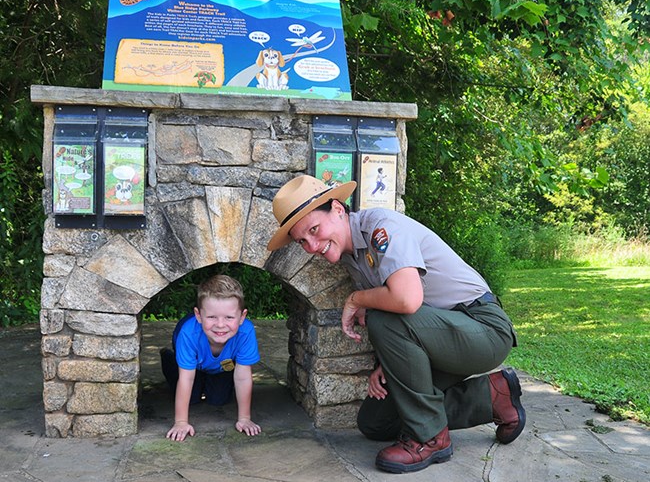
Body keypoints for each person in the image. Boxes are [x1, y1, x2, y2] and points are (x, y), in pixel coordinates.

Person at [267, 175, 525, 474]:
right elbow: (409, 322)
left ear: (337, 209)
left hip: (483, 329)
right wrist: (391, 363)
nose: (311, 245)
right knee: (376, 421)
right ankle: (494, 396)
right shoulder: (353, 256)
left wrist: (356, 299)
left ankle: (429, 438)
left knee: (380, 316)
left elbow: (406, 301)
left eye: (314, 229)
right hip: (443, 339)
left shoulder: (381, 227)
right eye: (302, 240)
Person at [160, 274, 262, 441]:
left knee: (218, 399)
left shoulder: (246, 332)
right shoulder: (188, 333)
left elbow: (243, 377)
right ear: (199, 315)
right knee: (191, 397)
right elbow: (186, 379)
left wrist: (244, 418)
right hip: (190, 362)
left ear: (242, 317)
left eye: (229, 317)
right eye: (212, 317)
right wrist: (181, 422)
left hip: (220, 365)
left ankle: (208, 376)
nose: (220, 325)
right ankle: (168, 358)